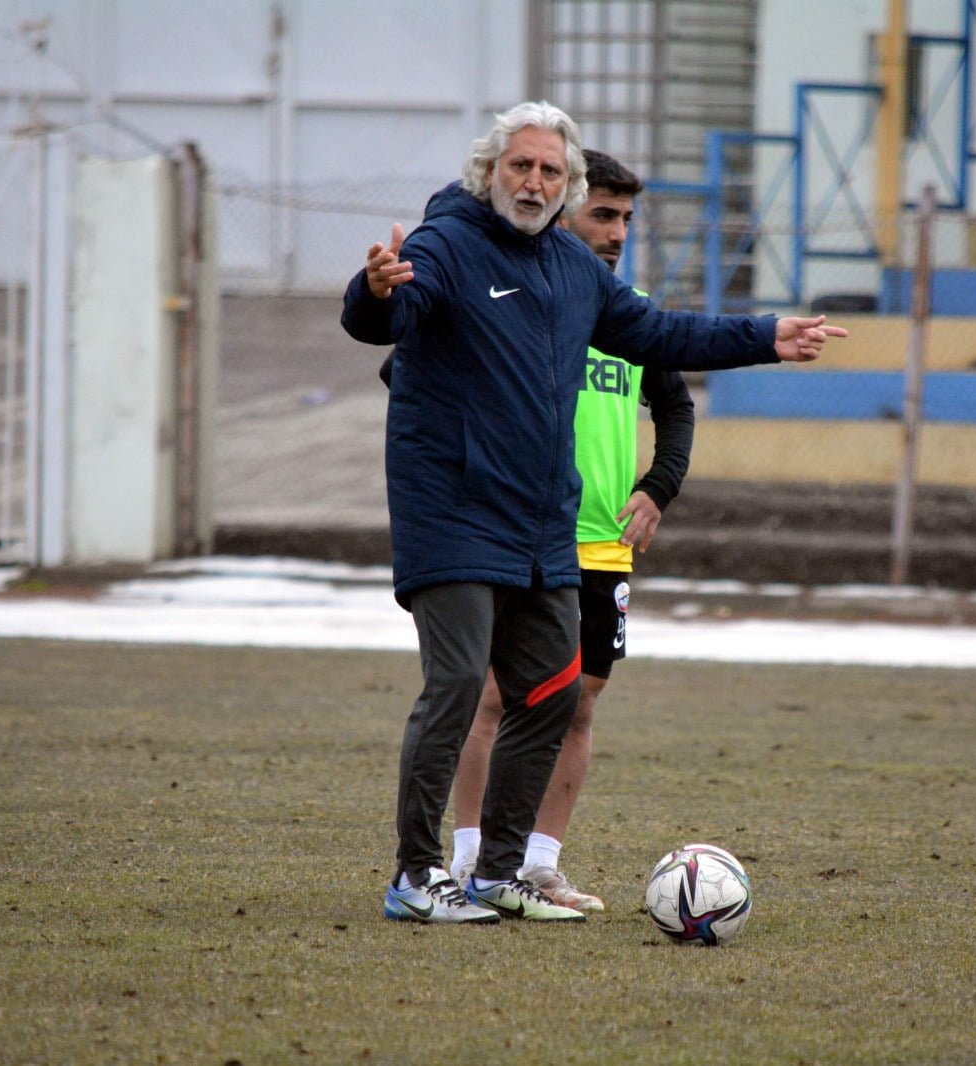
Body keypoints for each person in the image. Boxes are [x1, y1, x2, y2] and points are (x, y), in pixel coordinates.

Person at [341, 100, 844, 925]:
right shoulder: (446, 245)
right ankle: (413, 873)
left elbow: (661, 335)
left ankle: (501, 873)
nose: (533, 182)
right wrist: (373, 291)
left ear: (564, 183)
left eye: (548, 170)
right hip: (456, 513)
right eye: (520, 166)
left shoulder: (577, 273)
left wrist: (764, 335)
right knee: (462, 684)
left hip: (543, 524)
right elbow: (389, 313)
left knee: (552, 693)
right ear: (489, 172)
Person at [445, 149, 689, 912]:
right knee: (493, 699)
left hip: (602, 545)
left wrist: (657, 487)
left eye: (625, 218)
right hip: (513, 533)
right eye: (603, 215)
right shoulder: (508, 299)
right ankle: (470, 860)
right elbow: (416, 379)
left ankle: (541, 863)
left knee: (576, 704)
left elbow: (675, 406)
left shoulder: (629, 311)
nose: (616, 233)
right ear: (561, 207)